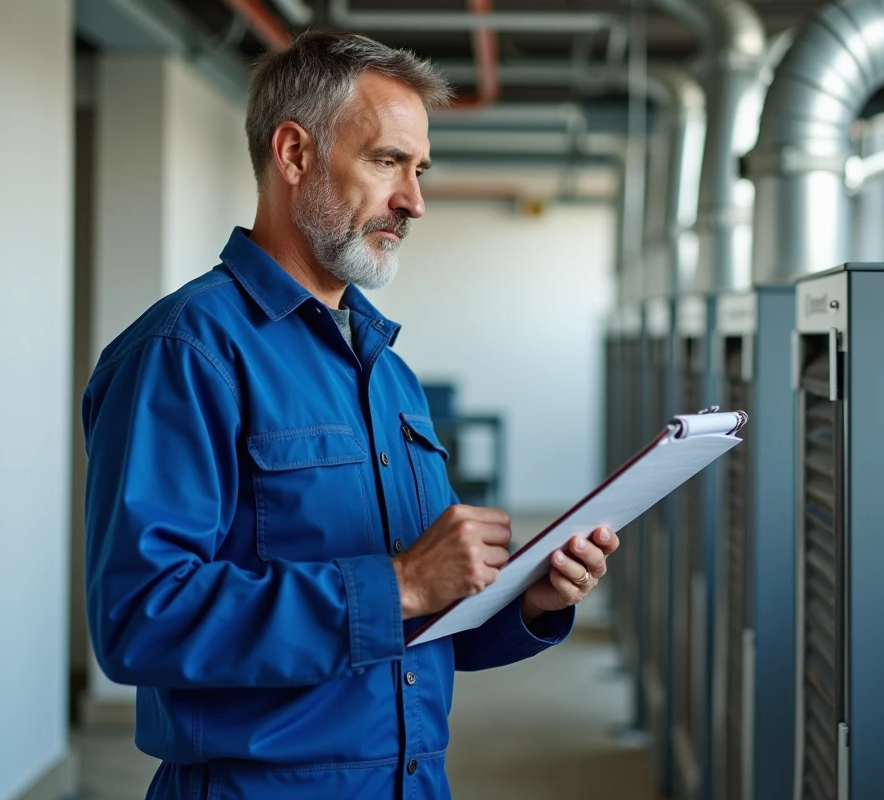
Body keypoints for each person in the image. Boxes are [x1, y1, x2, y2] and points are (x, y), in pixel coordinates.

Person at [82, 30, 620, 800]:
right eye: (386, 162)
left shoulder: (387, 372)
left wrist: (523, 600)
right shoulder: (186, 353)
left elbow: (416, 632)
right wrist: (398, 582)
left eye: (420, 169)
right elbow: (142, 619)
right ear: (295, 154)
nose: (415, 201)